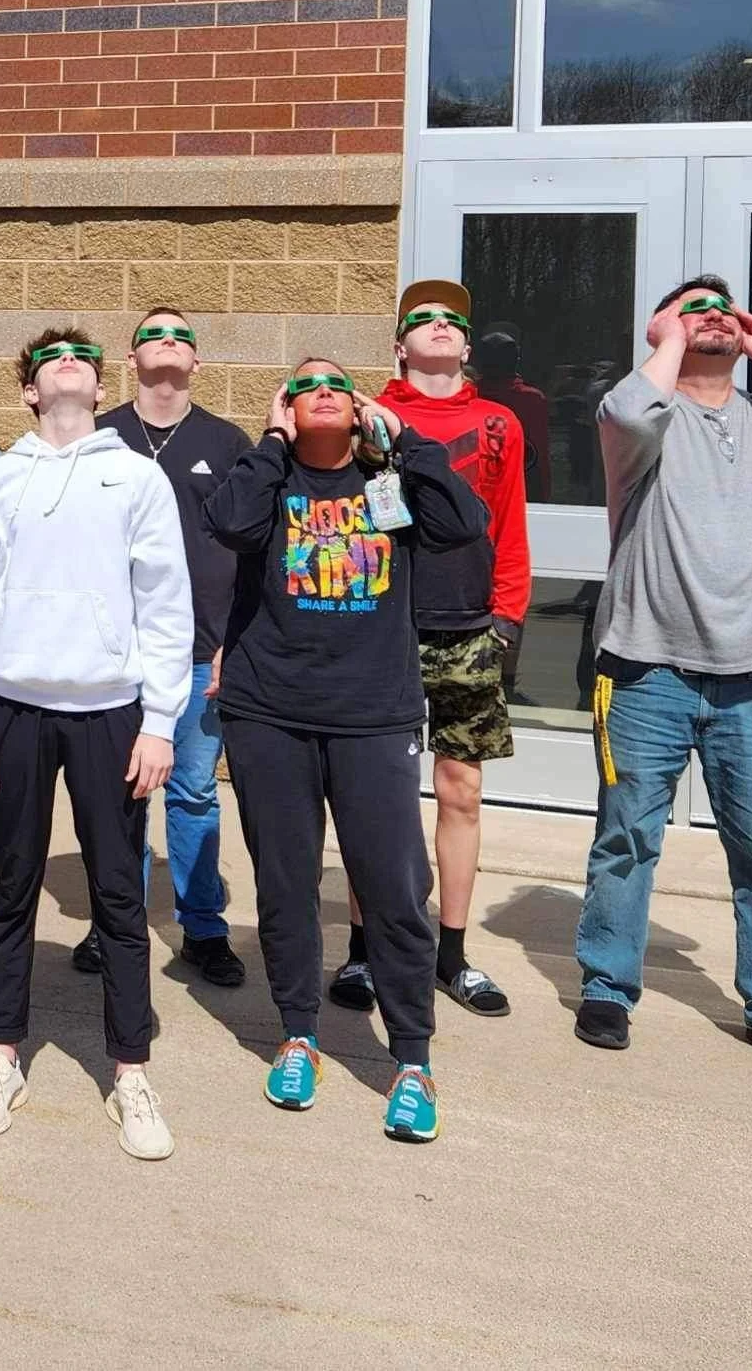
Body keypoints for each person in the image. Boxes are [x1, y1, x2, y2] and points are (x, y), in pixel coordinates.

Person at [204, 358, 486, 1143]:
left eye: (335, 382)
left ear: (360, 406)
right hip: (270, 712)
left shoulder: (387, 482)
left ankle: (413, 1059)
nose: (320, 390)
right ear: (285, 408)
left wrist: (405, 439)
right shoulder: (265, 478)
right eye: (303, 385)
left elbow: (463, 522)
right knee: (285, 880)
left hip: (371, 713)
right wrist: (269, 438)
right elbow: (228, 522)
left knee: (392, 884)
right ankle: (298, 1035)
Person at [0, 327, 192, 1162]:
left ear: (99, 383)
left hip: (110, 715)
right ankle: (2, 1055)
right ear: (28, 391)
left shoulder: (138, 476)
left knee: (119, 898)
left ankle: (130, 1072)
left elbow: (165, 606)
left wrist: (160, 721)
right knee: (11, 888)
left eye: (83, 357)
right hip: (12, 711)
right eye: (51, 357)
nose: (69, 363)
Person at [575, 278, 752, 1074]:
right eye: (692, 305)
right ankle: (606, 984)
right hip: (643, 673)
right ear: (660, 329)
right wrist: (666, 339)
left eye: (723, 306)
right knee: (626, 839)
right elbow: (629, 409)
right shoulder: (641, 420)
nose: (713, 315)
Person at [332, 281, 529, 1020]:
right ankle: (361, 948)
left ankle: (451, 952)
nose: (439, 328)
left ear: (468, 346)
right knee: (371, 793)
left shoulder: (498, 422)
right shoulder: (368, 419)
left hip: (468, 628)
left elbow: (509, 524)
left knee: (461, 791)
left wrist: (507, 613)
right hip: (383, 629)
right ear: (399, 345)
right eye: (423, 320)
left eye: (453, 322)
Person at [83, 307, 251, 988]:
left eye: (181, 336)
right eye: (154, 334)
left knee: (191, 793)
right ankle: (113, 923)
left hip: (197, 650)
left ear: (197, 364)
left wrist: (231, 644)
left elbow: (250, 549)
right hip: (114, 655)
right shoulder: (99, 437)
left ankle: (203, 928)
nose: (168, 344)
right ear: (130, 359)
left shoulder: (228, 440)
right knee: (122, 794)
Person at [470, 323, 551, 504]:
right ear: (516, 359)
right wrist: (544, 497)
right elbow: (540, 458)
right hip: (519, 491)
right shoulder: (531, 399)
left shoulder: (468, 395)